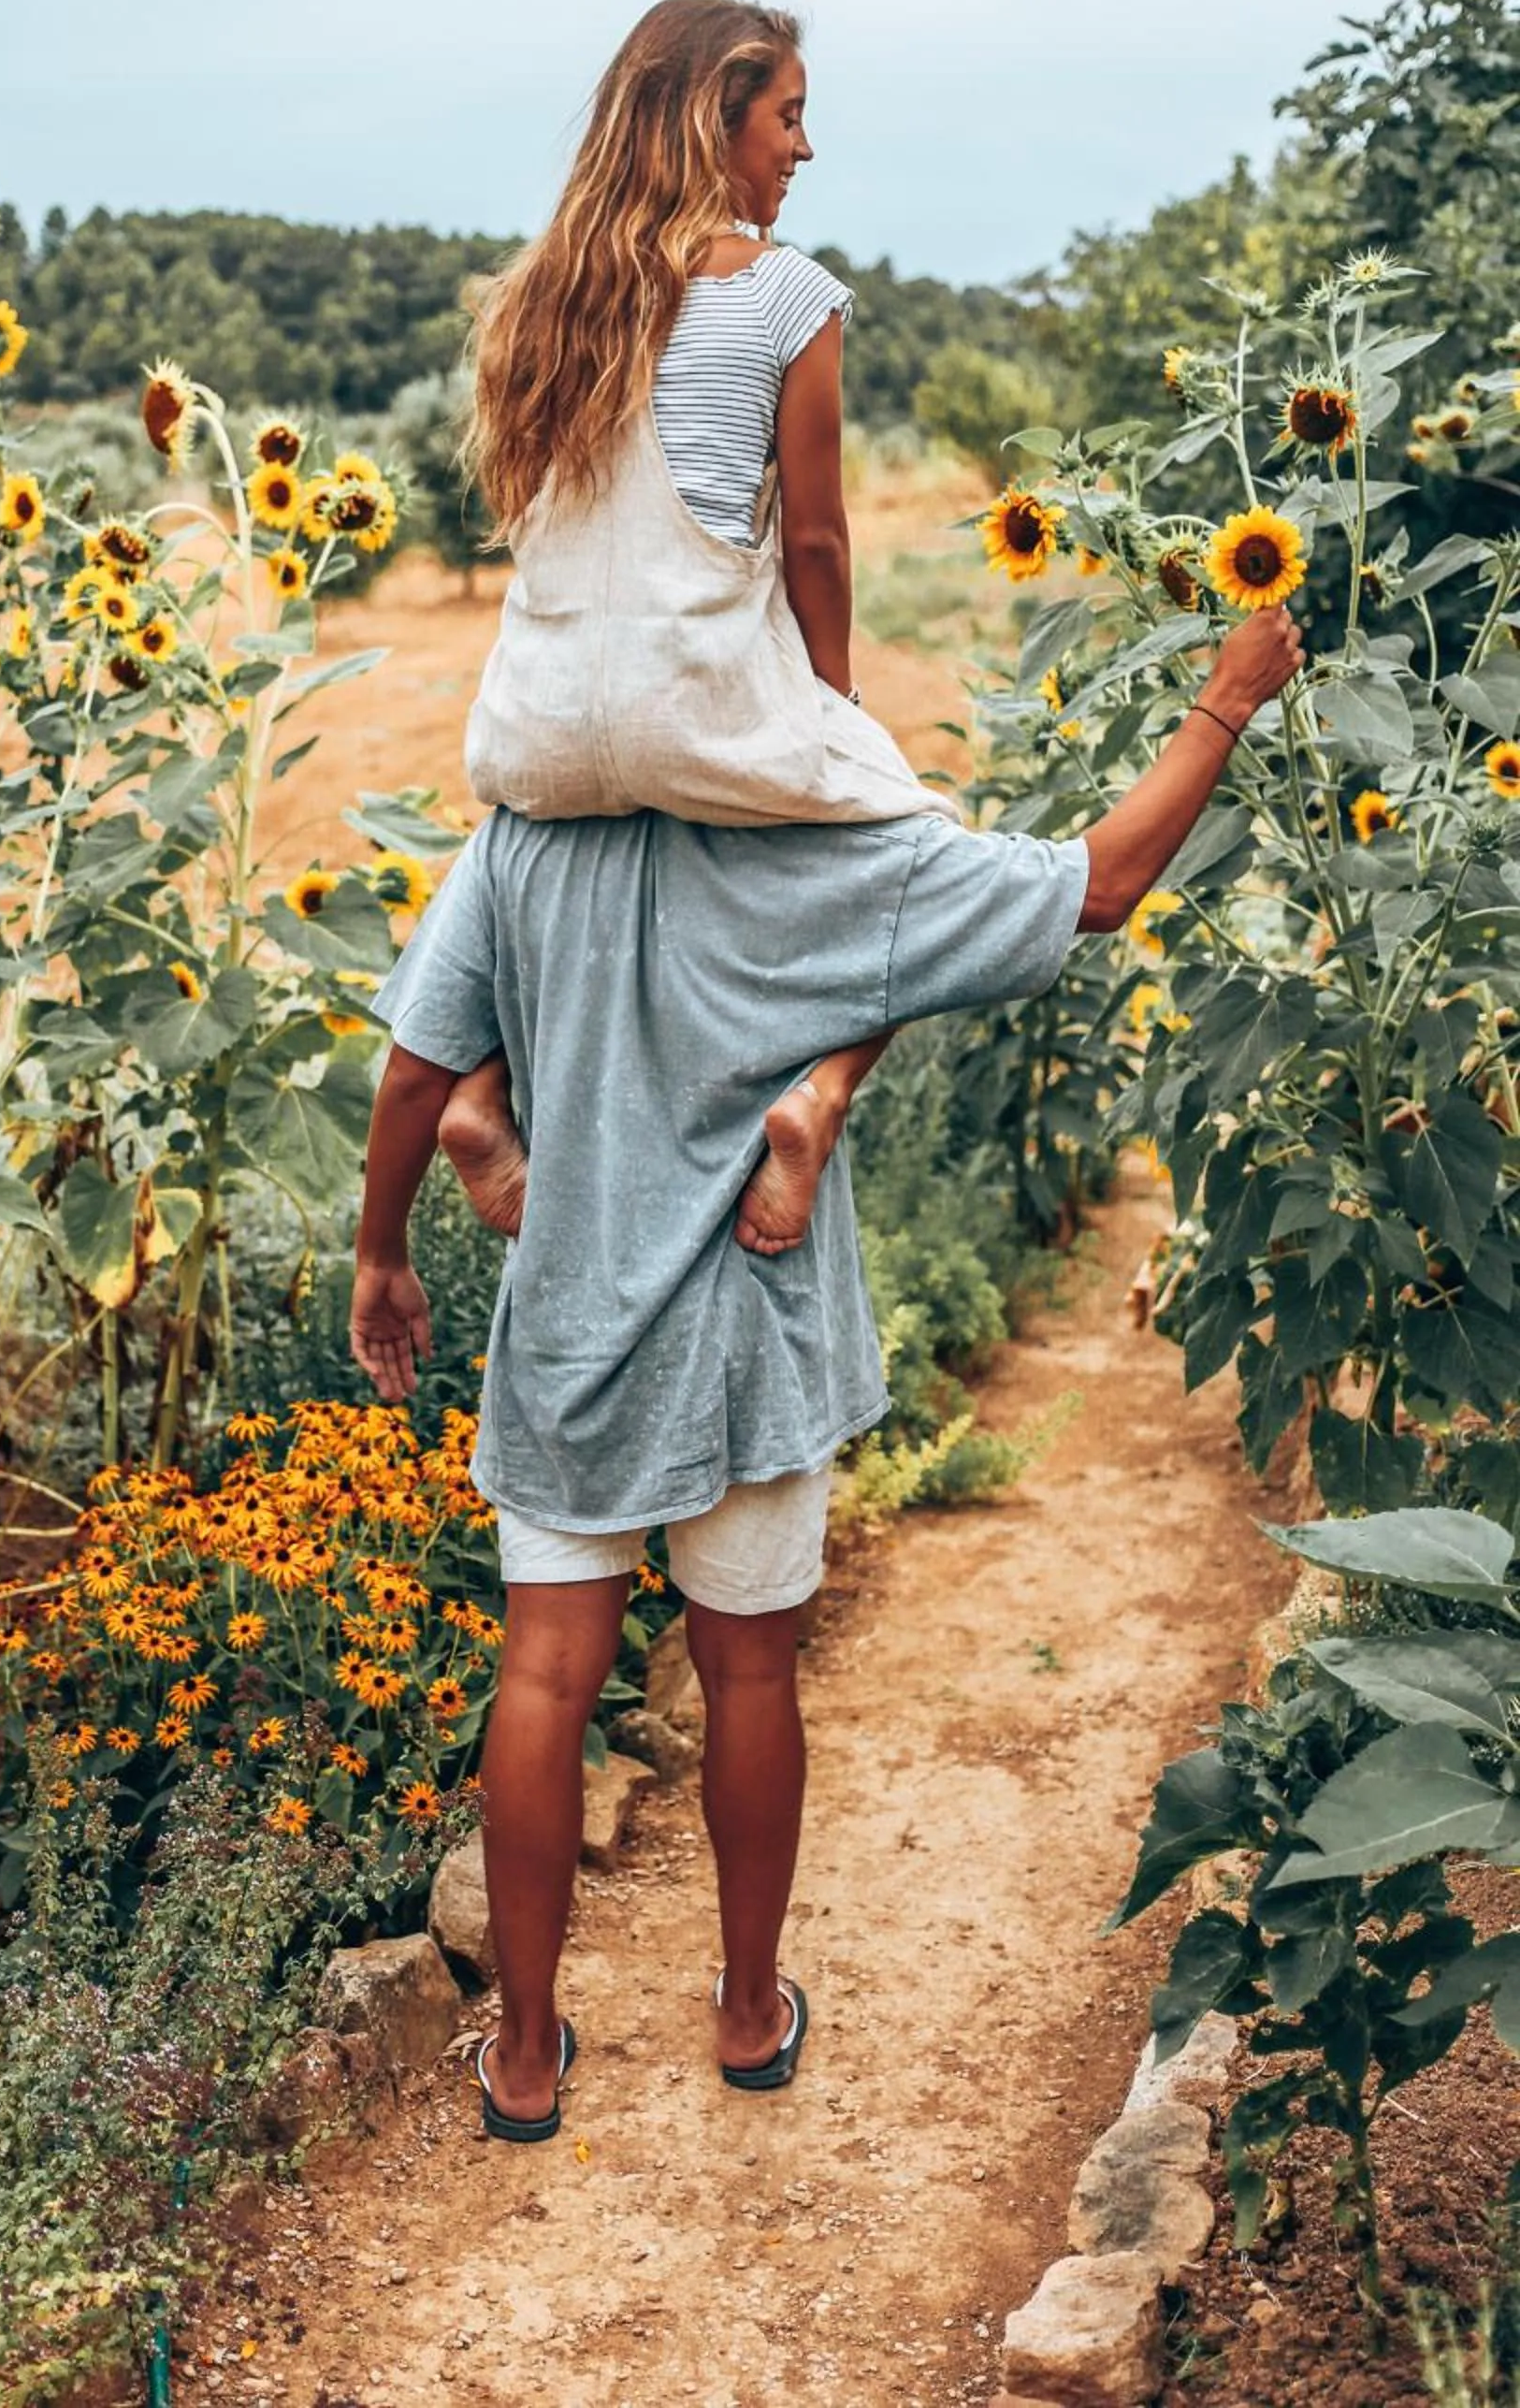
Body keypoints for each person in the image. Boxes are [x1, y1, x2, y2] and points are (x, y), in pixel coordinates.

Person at [351, 604, 1303, 2138]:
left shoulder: (527, 839)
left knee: (545, 1672)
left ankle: (524, 2052)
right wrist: (1226, 701)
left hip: (572, 1326)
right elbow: (1099, 884)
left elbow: (411, 1063)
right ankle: (742, 2011)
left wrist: (381, 1249)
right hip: (751, 1317)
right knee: (746, 1669)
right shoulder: (829, 848)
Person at [451, 0, 963, 1261]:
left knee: (500, 890)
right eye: (788, 118)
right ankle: (816, 1102)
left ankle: (475, 1093)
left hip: (538, 734)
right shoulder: (788, 298)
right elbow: (818, 543)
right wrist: (833, 706)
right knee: (923, 836)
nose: (802, 149)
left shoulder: (538, 302)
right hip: (693, 713)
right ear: (714, 121)